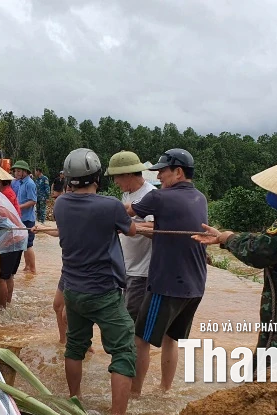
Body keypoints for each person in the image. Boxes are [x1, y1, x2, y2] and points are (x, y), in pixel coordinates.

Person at [192, 155, 277, 374]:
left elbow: (260, 252)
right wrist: (225, 238)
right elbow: (265, 241)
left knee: (265, 376)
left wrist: (229, 239)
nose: (271, 194)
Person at [34, 148, 137, 415]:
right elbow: (132, 230)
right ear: (97, 177)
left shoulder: (61, 204)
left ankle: (75, 400)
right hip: (104, 292)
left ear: (69, 179)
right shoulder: (111, 206)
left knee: (75, 346)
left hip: (72, 290)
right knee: (124, 352)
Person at [124, 148, 208, 397]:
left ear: (179, 172)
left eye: (162, 171)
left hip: (167, 284)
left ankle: (135, 395)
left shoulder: (161, 197)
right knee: (172, 338)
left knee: (141, 340)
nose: (158, 177)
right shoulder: (200, 198)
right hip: (195, 285)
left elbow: (126, 212)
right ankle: (165, 391)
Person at [105, 151, 156, 321]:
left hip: (141, 271)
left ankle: (131, 349)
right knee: (123, 318)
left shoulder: (150, 195)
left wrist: (129, 227)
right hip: (126, 267)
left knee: (130, 321)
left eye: (116, 177)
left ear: (127, 174)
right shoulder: (127, 194)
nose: (115, 182)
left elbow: (155, 228)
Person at [0, 166, 25, 309]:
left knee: (1, 276)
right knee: (8, 275)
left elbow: (3, 218)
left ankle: (2, 308)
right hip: (18, 236)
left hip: (11, 239)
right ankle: (7, 305)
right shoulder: (3, 194)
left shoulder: (1, 197)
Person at [11, 160, 37, 274]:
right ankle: (27, 267)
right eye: (15, 171)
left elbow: (33, 201)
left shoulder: (29, 184)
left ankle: (33, 269)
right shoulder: (20, 183)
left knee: (28, 244)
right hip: (21, 217)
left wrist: (18, 207)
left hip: (27, 218)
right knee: (24, 245)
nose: (16, 173)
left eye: (18, 171)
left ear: (25, 172)